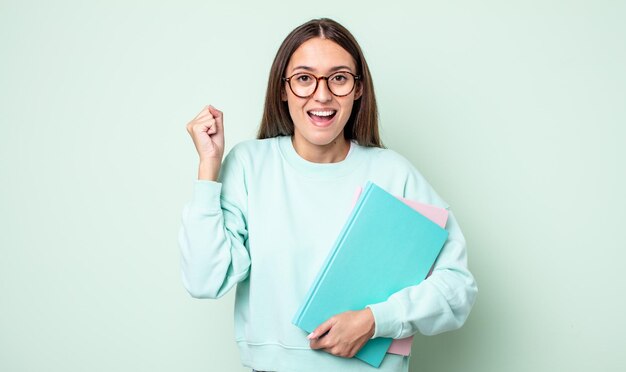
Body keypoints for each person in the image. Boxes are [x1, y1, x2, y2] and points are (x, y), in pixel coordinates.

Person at [179, 18, 477, 372]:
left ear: (358, 89)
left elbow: (458, 289)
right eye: (304, 78)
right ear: (283, 89)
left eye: (339, 78)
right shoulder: (248, 165)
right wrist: (208, 168)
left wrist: (375, 320)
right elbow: (204, 280)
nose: (322, 95)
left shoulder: (394, 174)